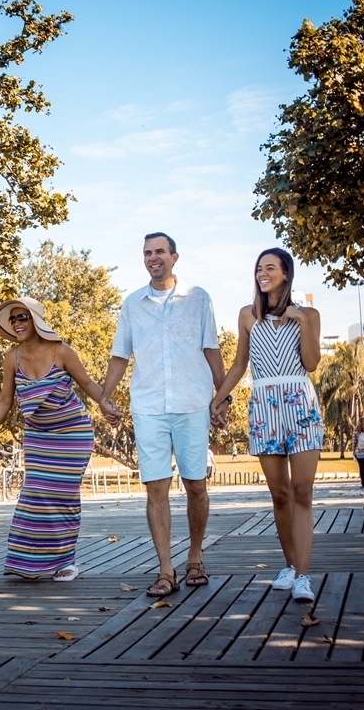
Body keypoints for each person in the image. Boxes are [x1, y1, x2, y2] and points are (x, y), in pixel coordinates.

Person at [99, 233, 226, 597]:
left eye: (159, 252)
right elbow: (120, 355)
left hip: (191, 404)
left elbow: (212, 349)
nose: (153, 258)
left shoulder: (198, 298)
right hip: (149, 407)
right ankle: (166, 570)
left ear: (174, 257)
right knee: (156, 489)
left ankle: (195, 558)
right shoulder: (132, 304)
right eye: (147, 253)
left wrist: (223, 396)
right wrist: (106, 396)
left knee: (196, 486)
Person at [212, 247, 323, 604]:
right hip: (263, 406)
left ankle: (303, 576)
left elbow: (311, 362)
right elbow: (238, 366)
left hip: (299, 404)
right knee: (280, 495)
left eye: (270, 267)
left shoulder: (309, 314)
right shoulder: (248, 315)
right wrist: (218, 399)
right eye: (259, 268)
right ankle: (290, 566)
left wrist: (302, 322)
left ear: (286, 274)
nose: (263, 273)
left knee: (302, 492)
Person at [0, 297, 107, 583]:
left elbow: (86, 383)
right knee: (35, 493)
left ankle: (67, 561)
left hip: (73, 434)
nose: (17, 323)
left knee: (63, 496)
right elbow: (4, 401)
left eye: (22, 317)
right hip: (37, 435)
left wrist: (107, 404)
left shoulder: (61, 351)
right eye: (13, 319)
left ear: (36, 320)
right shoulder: (12, 357)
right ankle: (30, 563)